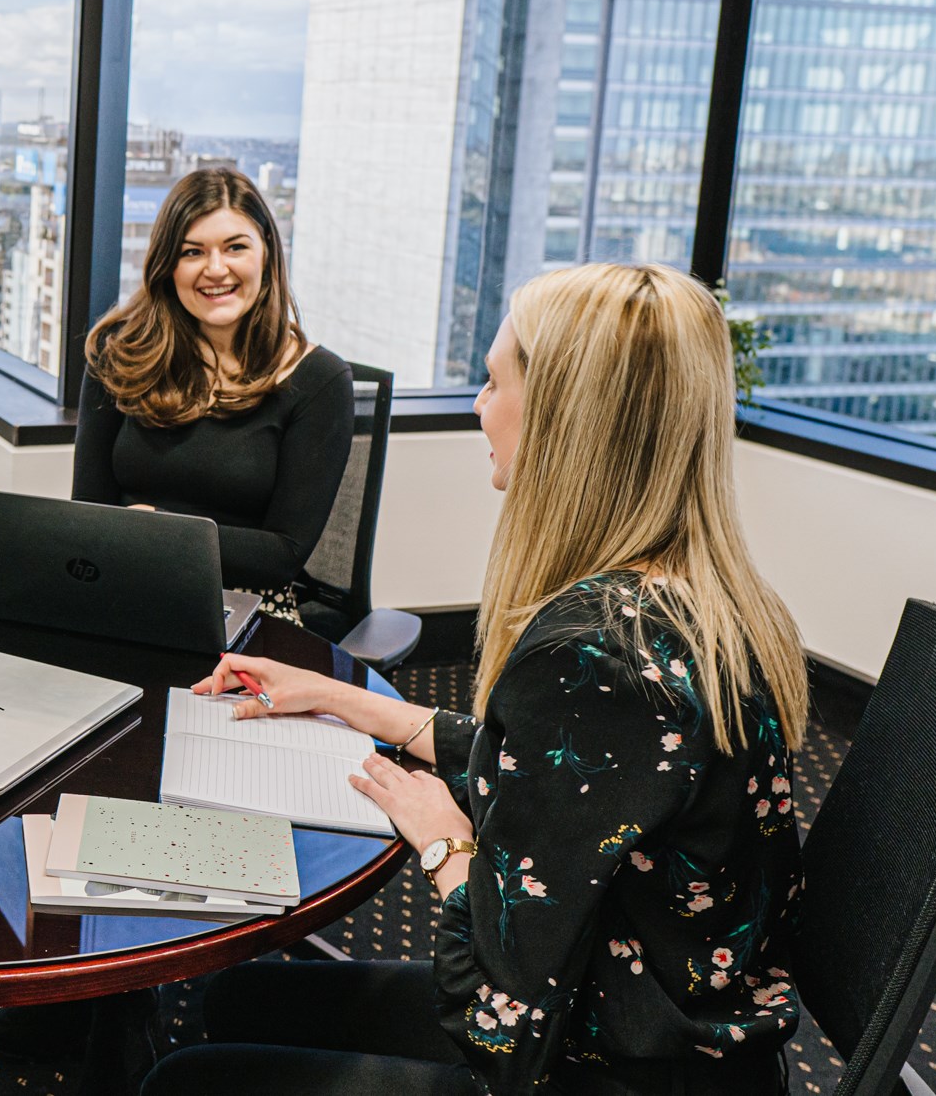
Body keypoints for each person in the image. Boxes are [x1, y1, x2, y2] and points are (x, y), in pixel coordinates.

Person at [145, 263, 811, 1096]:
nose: (476, 406)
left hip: (603, 1062)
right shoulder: (695, 601)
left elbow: (500, 1021)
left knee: (187, 1080)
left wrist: (444, 842)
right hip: (681, 1031)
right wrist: (338, 697)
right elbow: (561, 771)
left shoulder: (594, 653)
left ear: (567, 419)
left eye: (495, 381)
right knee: (243, 997)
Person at [72, 166, 355, 636]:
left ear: (266, 252)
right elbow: (89, 517)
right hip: (125, 593)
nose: (216, 269)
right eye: (192, 252)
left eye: (235, 247)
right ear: (168, 265)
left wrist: (161, 530)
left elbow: (281, 556)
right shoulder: (118, 355)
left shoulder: (319, 381)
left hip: (251, 615)